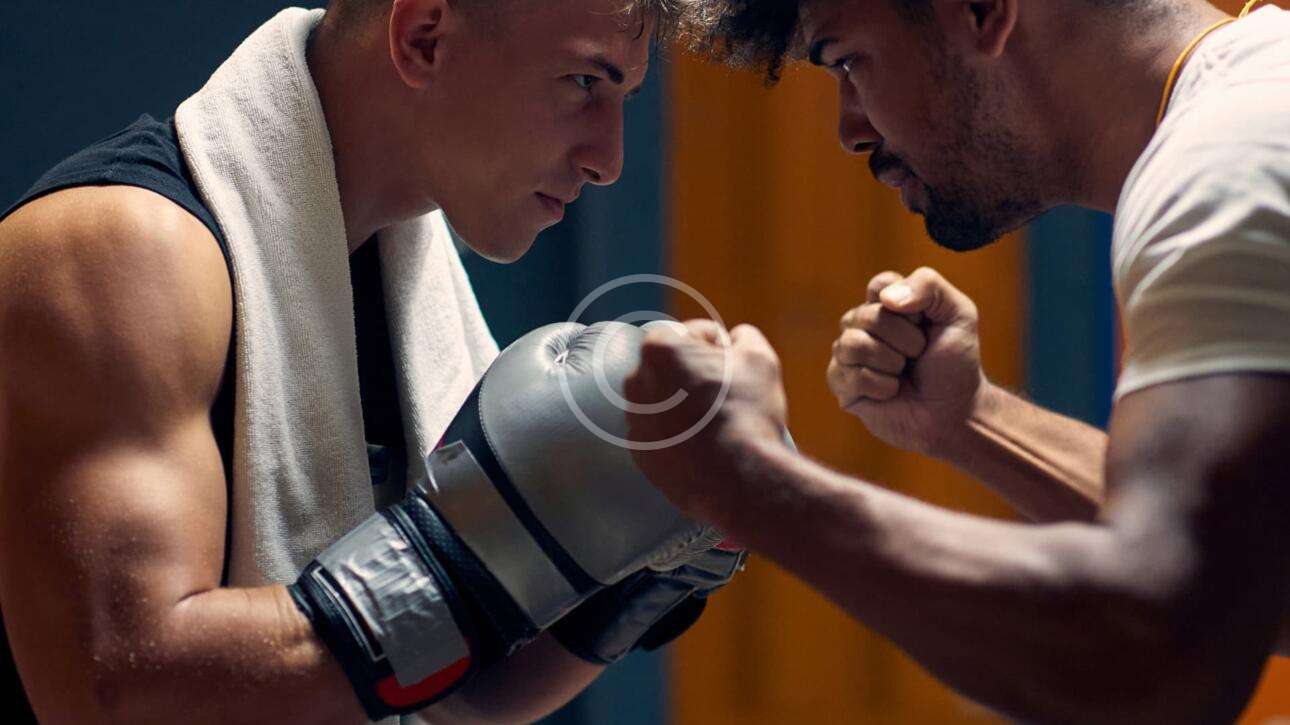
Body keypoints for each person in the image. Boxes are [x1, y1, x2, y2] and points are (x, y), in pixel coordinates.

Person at [0, 0, 728, 722]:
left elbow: (462, 696)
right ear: (425, 38)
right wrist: (470, 562)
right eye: (583, 82)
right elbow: (120, 688)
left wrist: (652, 558)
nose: (608, 159)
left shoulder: (396, 267)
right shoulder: (119, 253)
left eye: (626, 97)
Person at [624, 0, 1290, 721]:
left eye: (847, 61)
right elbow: (1253, 574)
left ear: (980, 11)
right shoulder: (1257, 104)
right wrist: (973, 419)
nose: (851, 131)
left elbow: (1168, 645)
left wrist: (751, 484)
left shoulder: (1227, 169)